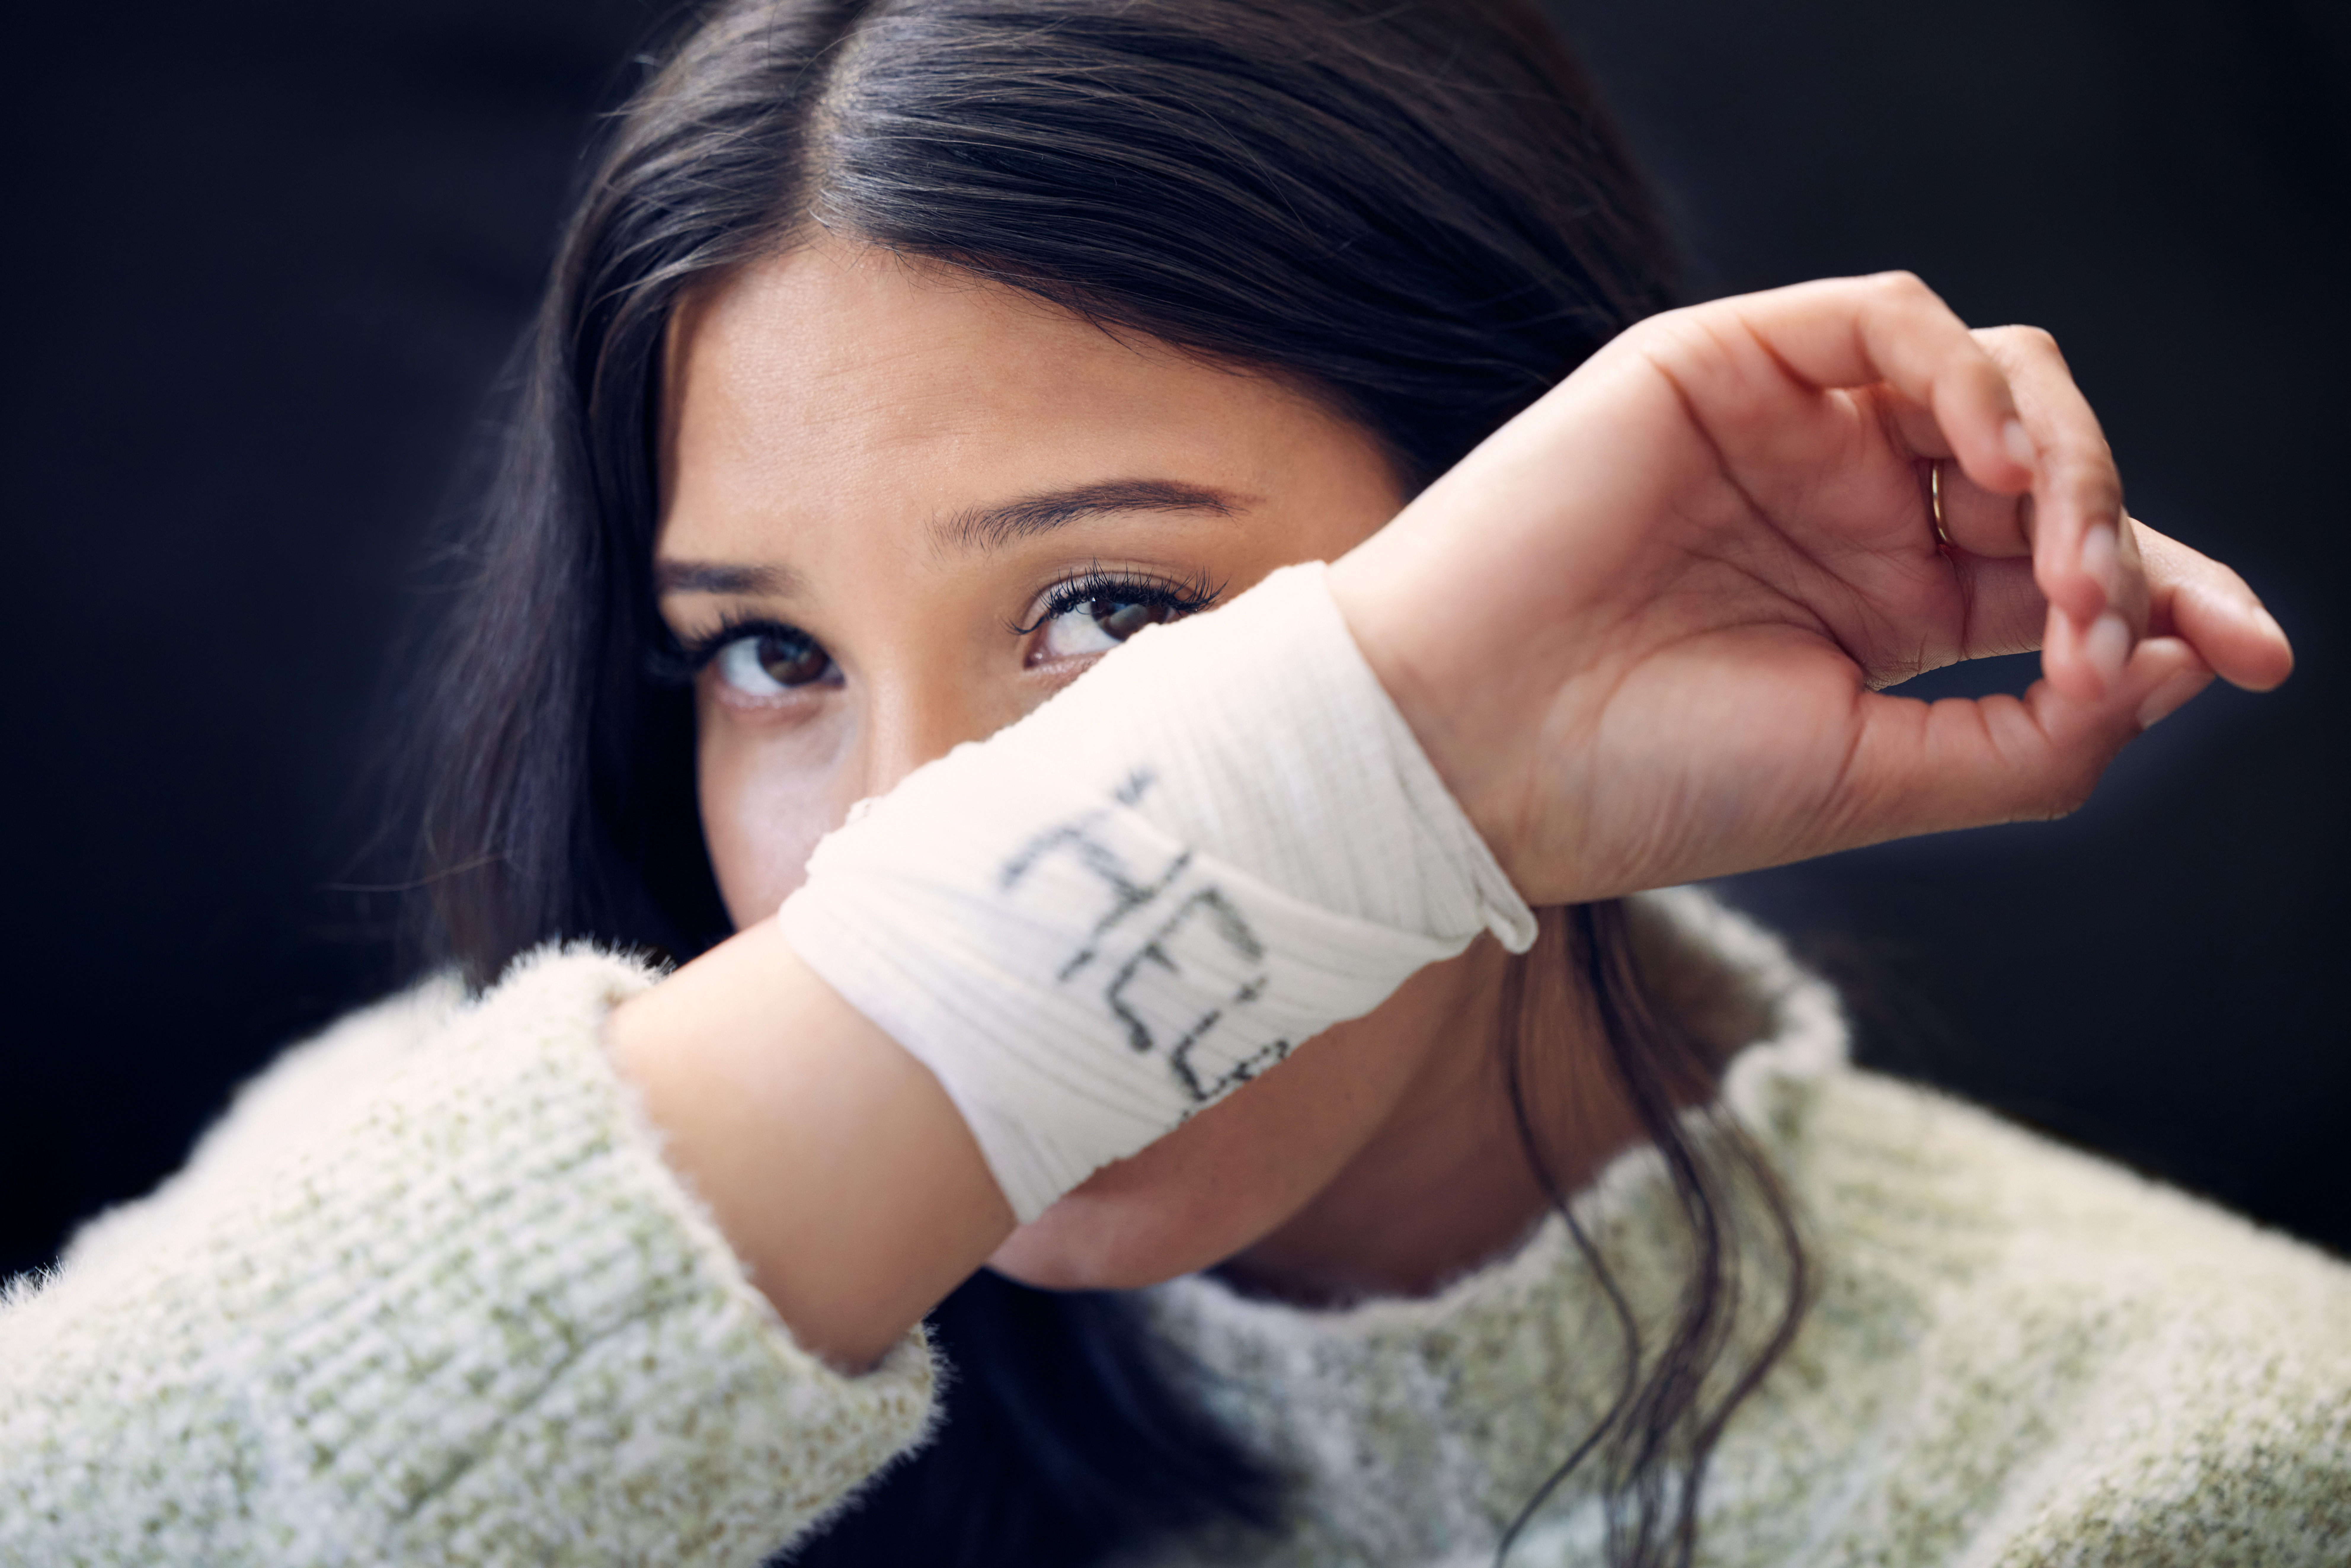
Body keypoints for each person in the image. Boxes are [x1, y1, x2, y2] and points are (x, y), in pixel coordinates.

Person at [2, 0, 2340, 1564]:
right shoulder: (439, 1185)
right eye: (766, 654)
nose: (899, 832)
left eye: (1113, 614)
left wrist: (1341, 781)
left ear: (1553, 548)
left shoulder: (2172, 1446)